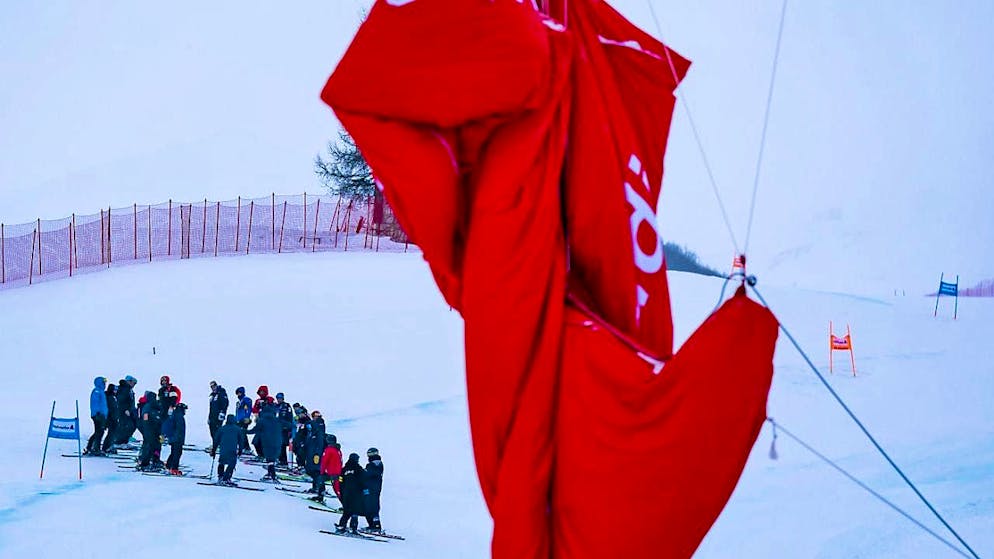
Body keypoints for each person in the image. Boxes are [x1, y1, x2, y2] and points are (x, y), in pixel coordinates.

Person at [246, 404, 282, 480]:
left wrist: (244, 431)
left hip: (267, 442)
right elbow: (289, 425)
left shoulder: (262, 420)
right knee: (272, 459)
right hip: (277, 442)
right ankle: (270, 474)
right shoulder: (278, 420)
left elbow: (254, 430)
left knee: (269, 459)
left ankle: (272, 476)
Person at [335, 453, 366, 534]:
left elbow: (340, 482)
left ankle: (342, 525)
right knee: (355, 511)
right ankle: (353, 528)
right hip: (356, 493)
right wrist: (364, 491)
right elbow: (363, 480)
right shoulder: (359, 469)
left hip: (346, 493)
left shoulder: (344, 469)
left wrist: (342, 492)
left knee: (346, 510)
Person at [212, 414, 242, 484]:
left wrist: (213, 450)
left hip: (223, 449)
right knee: (232, 463)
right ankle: (227, 478)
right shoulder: (238, 429)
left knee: (221, 462)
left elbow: (216, 440)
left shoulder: (221, 429)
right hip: (232, 449)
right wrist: (240, 450)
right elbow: (241, 441)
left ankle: (220, 476)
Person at [138, 391, 163, 471]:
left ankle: (151, 461)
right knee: (152, 446)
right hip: (154, 430)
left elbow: (145, 420)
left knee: (152, 445)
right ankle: (148, 462)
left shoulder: (148, 406)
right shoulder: (152, 407)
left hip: (152, 430)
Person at [304, 410, 327, 493]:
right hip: (311, 452)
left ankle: (319, 488)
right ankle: (316, 487)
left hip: (316, 453)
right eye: (315, 416)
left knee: (316, 470)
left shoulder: (319, 428)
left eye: (318, 416)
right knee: (312, 469)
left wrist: (317, 453)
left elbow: (320, 442)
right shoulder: (313, 429)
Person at [316, 434, 343, 504]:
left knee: (337, 489)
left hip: (332, 473)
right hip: (337, 472)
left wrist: (322, 472)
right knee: (337, 488)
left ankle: (346, 507)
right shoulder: (338, 450)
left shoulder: (329, 450)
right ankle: (320, 496)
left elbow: (324, 461)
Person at [85, 377, 108, 455]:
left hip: (101, 415)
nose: (105, 384)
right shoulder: (97, 391)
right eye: (104, 382)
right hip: (98, 415)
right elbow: (95, 403)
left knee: (100, 431)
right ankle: (94, 448)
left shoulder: (101, 391)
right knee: (99, 431)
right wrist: (98, 413)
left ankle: (92, 447)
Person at [363, 447, 384, 532]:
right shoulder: (377, 464)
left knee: (370, 506)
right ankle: (374, 524)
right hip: (376, 488)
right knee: (373, 505)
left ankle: (375, 525)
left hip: (371, 488)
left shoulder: (373, 465)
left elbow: (367, 475)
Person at [162, 403, 187, 475]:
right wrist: (178, 438)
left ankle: (169, 465)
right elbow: (179, 429)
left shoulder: (175, 415)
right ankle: (174, 468)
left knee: (174, 452)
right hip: (177, 438)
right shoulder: (179, 416)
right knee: (177, 453)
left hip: (174, 438)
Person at [113, 375, 138, 446]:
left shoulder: (129, 390)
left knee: (133, 425)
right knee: (125, 426)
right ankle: (119, 441)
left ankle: (124, 440)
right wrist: (125, 409)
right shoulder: (123, 389)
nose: (134, 385)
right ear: (129, 381)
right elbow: (120, 400)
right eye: (133, 383)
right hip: (124, 411)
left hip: (130, 411)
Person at [233, 387, 253, 455]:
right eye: (237, 393)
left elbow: (249, 409)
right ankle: (242, 447)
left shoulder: (246, 399)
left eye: (240, 393)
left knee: (242, 433)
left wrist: (247, 417)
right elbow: (237, 412)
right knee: (239, 433)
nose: (238, 394)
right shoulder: (239, 402)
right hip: (239, 420)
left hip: (244, 420)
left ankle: (247, 448)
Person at [275, 393, 293, 466]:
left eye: (280, 398)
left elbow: (290, 417)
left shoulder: (286, 406)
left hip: (284, 429)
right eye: (278, 398)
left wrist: (289, 428)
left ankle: (284, 461)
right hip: (277, 429)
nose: (279, 400)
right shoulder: (275, 406)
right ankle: (279, 459)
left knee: (282, 445)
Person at [101, 382, 119, 453]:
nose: (116, 391)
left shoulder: (113, 397)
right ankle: (106, 447)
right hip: (110, 418)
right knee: (111, 433)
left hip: (114, 418)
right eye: (115, 390)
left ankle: (108, 446)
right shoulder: (109, 397)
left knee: (112, 433)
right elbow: (110, 409)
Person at [291, 407, 311, 472]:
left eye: (301, 413)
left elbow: (309, 432)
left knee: (301, 453)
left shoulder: (307, 421)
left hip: (303, 440)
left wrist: (305, 442)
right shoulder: (299, 420)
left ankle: (303, 466)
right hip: (297, 439)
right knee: (296, 452)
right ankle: (299, 465)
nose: (299, 415)